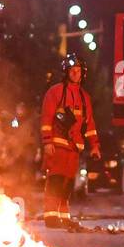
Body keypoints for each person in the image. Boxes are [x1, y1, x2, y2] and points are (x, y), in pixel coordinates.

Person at [39, 53, 101, 230]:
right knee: (56, 180)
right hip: (58, 144)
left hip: (74, 148)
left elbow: (90, 125)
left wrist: (95, 146)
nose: (75, 74)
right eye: (72, 71)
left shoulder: (84, 98)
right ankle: (51, 217)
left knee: (67, 183)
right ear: (66, 72)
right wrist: (47, 142)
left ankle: (63, 217)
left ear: (83, 73)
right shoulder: (55, 92)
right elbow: (46, 119)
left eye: (78, 70)